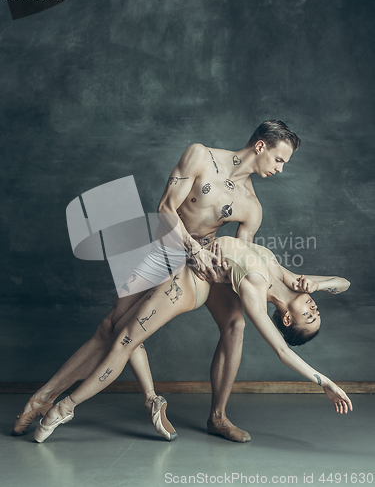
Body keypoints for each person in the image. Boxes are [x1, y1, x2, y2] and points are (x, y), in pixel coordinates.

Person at [13, 120, 300, 443]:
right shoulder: (200, 156)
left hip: (203, 262)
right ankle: (43, 399)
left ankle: (217, 417)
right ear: (261, 146)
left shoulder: (252, 206)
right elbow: (165, 207)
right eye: (279, 160)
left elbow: (240, 259)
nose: (280, 169)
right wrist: (191, 248)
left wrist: (270, 291)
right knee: (112, 329)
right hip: (166, 247)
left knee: (236, 324)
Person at [33, 236, 353, 444]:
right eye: (316, 311)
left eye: (309, 317)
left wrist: (323, 381)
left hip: (193, 276)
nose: (313, 308)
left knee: (127, 339)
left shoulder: (256, 291)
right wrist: (320, 285)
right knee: (121, 336)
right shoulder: (287, 277)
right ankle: (64, 405)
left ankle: (65, 407)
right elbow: (344, 283)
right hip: (186, 254)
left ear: (286, 319)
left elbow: (282, 351)